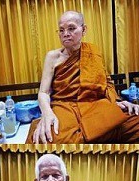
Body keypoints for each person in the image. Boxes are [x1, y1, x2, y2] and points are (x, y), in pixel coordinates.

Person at [27, 11, 139, 144]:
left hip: (95, 104)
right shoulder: (52, 57)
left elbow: (106, 83)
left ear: (84, 30)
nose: (65, 33)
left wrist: (116, 101)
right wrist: (47, 113)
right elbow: (43, 93)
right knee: (46, 137)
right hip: (65, 106)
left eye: (71, 28)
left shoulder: (93, 52)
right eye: (61, 30)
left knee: (134, 122)